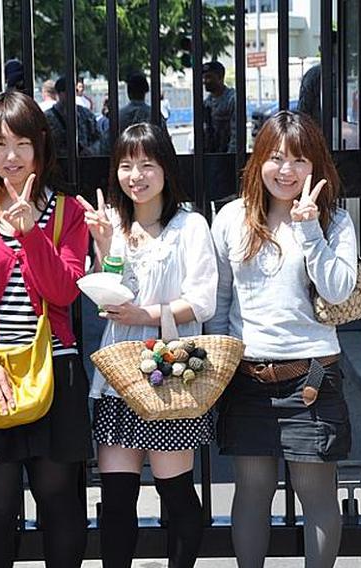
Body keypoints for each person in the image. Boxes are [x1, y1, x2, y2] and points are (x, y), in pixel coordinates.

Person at [0, 90, 90, 568]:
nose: (11, 156)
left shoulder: (68, 212)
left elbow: (64, 292)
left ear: (40, 145)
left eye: (21, 144)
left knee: (60, 503)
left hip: (54, 371)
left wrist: (31, 233)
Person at [208, 110, 357, 568]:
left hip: (311, 376)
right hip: (247, 374)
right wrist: (217, 371)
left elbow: (338, 290)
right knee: (252, 489)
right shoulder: (232, 217)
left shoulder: (335, 222)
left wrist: (310, 229)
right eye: (276, 158)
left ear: (317, 166)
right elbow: (219, 302)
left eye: (299, 159)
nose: (287, 170)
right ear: (258, 163)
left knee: (316, 493)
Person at [77, 123, 217, 568]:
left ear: (165, 169)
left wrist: (147, 316)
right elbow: (106, 293)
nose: (135, 175)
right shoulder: (113, 225)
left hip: (168, 375)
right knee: (116, 498)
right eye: (125, 165)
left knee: (175, 493)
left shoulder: (189, 225)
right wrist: (102, 245)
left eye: (146, 165)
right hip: (118, 377)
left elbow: (203, 301)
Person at [45, 76, 101, 157]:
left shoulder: (86, 114)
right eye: (66, 91)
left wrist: (91, 150)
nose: (71, 95)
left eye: (73, 91)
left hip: (85, 161)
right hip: (59, 163)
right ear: (59, 93)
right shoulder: (48, 117)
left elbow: (98, 138)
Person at [202, 61, 236, 153]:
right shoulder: (206, 103)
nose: (205, 81)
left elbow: (236, 133)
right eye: (204, 77)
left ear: (220, 78)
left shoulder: (232, 99)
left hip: (226, 155)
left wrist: (230, 158)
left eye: (209, 77)